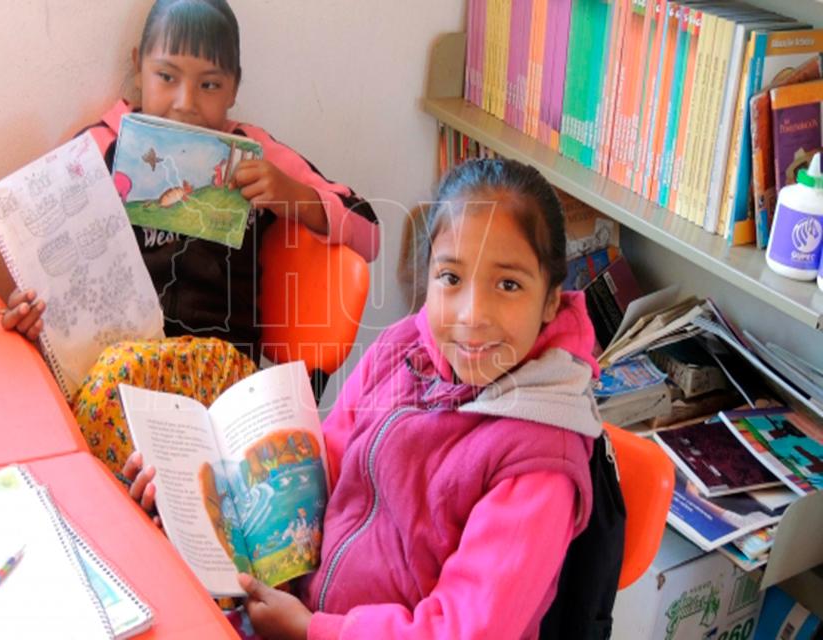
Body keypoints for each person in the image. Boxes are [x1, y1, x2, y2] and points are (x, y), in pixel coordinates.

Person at [129, 157, 606, 639]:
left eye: (508, 284)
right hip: (298, 610)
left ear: (551, 299)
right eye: (451, 278)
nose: (472, 314)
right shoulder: (403, 348)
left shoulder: (540, 460)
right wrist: (203, 511)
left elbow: (465, 630)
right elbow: (323, 471)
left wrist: (314, 631)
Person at [1, 0, 380, 475]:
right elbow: (42, 259)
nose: (185, 102)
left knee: (118, 394)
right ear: (138, 67)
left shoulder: (254, 153)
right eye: (166, 76)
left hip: (221, 378)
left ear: (234, 87)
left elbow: (369, 232)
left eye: (209, 85)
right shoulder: (101, 148)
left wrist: (294, 197)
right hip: (116, 373)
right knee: (56, 407)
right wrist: (33, 308)